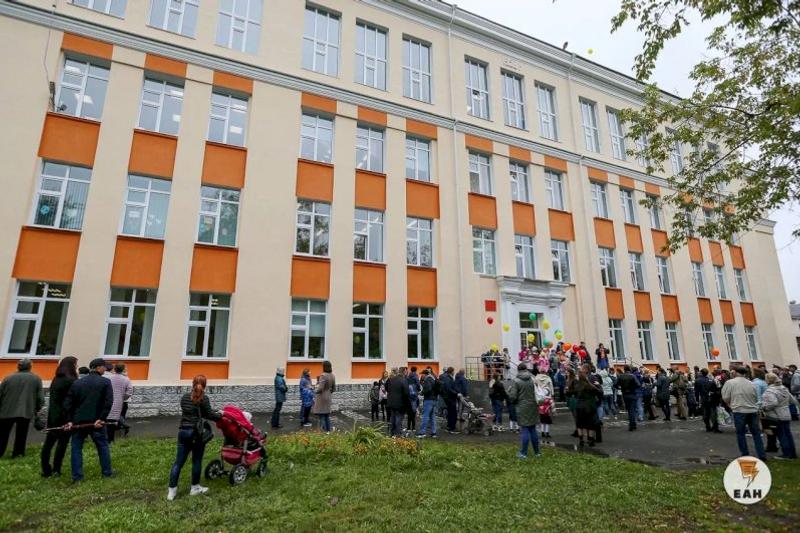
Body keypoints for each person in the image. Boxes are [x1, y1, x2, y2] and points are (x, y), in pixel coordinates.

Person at [167, 374, 221, 500]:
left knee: (178, 463)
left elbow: (188, 412)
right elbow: (209, 415)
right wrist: (220, 415)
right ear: (205, 385)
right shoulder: (204, 399)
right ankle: (195, 488)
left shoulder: (185, 397)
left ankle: (172, 491)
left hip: (183, 432)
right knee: (196, 460)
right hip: (196, 433)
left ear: (193, 383)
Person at [64, 358, 114, 482]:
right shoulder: (105, 382)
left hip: (78, 422)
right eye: (104, 367)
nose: (105, 369)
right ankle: (107, 473)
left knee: (76, 448)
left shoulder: (77, 383)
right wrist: (102, 418)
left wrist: (70, 420)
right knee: (102, 446)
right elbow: (108, 402)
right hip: (97, 422)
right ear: (98, 368)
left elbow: (68, 403)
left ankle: (77, 476)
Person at [41, 357, 78, 477]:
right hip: (65, 416)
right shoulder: (70, 380)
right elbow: (71, 401)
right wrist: (70, 419)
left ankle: (46, 469)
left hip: (53, 416)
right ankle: (56, 469)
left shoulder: (56, 379)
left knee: (49, 443)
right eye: (75, 364)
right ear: (72, 365)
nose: (77, 367)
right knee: (62, 444)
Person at [0, 358, 44, 459]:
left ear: (18, 367)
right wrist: (37, 408)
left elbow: (1, 394)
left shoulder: (8, 378)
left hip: (6, 410)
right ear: (30, 367)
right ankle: (18, 453)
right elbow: (40, 398)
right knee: (21, 433)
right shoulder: (36, 379)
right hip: (26, 410)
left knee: (3, 434)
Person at [721, 366, 766, 461]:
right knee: (756, 433)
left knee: (740, 433)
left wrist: (731, 403)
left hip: (739, 410)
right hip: (752, 410)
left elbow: (725, 397)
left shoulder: (730, 383)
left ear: (735, 372)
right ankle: (761, 454)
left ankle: (745, 453)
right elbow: (756, 396)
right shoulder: (752, 383)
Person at [507, 363, 542, 459]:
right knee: (533, 429)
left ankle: (523, 453)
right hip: (533, 405)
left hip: (522, 407)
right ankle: (537, 452)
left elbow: (513, 397)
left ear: (518, 370)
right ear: (526, 369)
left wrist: (508, 392)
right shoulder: (532, 379)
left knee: (525, 429)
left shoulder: (516, 381)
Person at [761, 373, 798, 459]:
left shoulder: (770, 391)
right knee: (788, 434)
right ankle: (792, 453)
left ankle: (787, 454)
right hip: (786, 413)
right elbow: (793, 401)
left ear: (768, 380)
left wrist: (765, 407)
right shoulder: (784, 388)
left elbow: (773, 403)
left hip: (776, 415)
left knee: (781, 434)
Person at [569, 365, 603, 445]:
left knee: (581, 423)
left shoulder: (578, 383)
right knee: (591, 423)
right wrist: (598, 386)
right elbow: (599, 391)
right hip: (590, 404)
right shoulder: (591, 382)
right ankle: (591, 439)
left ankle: (582, 440)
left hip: (580, 405)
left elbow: (570, 392)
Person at [105, 364, 133, 443]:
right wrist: (123, 398)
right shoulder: (126, 379)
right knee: (115, 420)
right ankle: (111, 439)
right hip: (119, 402)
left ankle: (107, 439)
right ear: (123, 370)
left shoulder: (109, 378)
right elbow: (129, 392)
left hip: (108, 401)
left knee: (107, 419)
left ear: (115, 369)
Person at [312, 361, 335, 433]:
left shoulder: (323, 376)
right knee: (327, 415)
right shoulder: (332, 375)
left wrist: (314, 390)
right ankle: (328, 431)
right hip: (328, 397)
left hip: (322, 397)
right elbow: (334, 389)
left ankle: (323, 432)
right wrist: (328, 392)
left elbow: (320, 388)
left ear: (324, 367)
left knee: (321, 415)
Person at [386, 367, 409, 437]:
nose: (407, 373)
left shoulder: (391, 379)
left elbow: (387, 388)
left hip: (391, 402)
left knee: (392, 417)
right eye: (406, 372)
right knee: (398, 418)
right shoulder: (403, 380)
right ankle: (398, 434)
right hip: (400, 403)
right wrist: (407, 404)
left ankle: (391, 433)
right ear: (404, 372)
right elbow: (406, 393)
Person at [616, 365, 640, 431]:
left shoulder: (620, 376)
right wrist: (633, 388)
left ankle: (632, 424)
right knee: (632, 410)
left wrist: (620, 388)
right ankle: (632, 424)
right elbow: (638, 385)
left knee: (629, 410)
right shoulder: (632, 376)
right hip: (632, 394)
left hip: (625, 395)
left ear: (624, 369)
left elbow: (615, 384)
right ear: (629, 369)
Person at [417, 369, 439, 438]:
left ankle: (422, 432)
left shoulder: (427, 379)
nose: (421, 376)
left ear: (425, 374)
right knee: (432, 417)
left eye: (422, 374)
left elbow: (428, 389)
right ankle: (433, 432)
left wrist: (422, 392)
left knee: (425, 416)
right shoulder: (433, 378)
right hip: (434, 400)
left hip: (428, 400)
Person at [534, 368, 554, 441]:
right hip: (547, 398)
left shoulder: (536, 378)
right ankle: (547, 432)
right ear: (545, 372)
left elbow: (535, 387)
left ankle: (542, 432)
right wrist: (552, 395)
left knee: (542, 417)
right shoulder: (548, 378)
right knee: (547, 418)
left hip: (540, 399)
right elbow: (551, 387)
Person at [440, 367, 459, 434]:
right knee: (453, 413)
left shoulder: (448, 378)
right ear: (451, 371)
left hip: (449, 397)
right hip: (450, 398)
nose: (454, 372)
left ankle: (449, 427)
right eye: (453, 371)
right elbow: (449, 389)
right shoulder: (448, 378)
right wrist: (456, 394)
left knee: (451, 413)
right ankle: (452, 428)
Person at [407, 366, 420, 432]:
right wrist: (419, 389)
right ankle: (413, 427)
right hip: (414, 396)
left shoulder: (408, 376)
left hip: (409, 396)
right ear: (416, 370)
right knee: (413, 412)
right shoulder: (416, 376)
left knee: (409, 412)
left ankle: (408, 427)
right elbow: (418, 384)